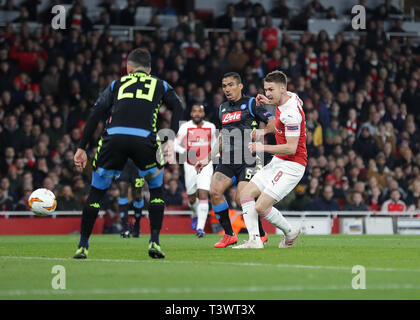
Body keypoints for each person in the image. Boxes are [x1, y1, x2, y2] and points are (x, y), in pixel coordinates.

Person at [73, 48, 183, 259]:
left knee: (96, 192)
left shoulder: (117, 83)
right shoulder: (160, 84)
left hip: (114, 137)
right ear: (149, 70)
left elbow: (96, 112)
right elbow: (178, 107)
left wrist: (81, 146)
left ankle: (82, 246)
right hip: (145, 138)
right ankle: (155, 242)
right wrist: (170, 139)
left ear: (129, 68)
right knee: (156, 188)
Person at [195, 72, 275, 248]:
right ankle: (229, 235)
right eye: (224, 86)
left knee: (242, 198)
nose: (227, 89)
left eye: (231, 85)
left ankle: (260, 234)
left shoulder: (251, 103)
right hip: (228, 158)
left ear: (240, 86)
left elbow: (272, 122)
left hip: (249, 157)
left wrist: (263, 132)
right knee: (214, 192)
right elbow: (223, 136)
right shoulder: (222, 108)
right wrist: (208, 158)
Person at [234, 70, 307, 249]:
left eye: (271, 90)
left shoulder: (291, 114)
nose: (267, 93)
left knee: (260, 207)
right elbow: (279, 122)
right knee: (245, 194)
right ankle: (254, 240)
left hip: (293, 165)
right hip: (279, 161)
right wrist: (268, 111)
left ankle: (290, 231)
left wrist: (262, 147)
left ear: (282, 88)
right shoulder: (290, 97)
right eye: (266, 89)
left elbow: (291, 147)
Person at [174, 104, 217, 238]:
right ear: (191, 114)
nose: (197, 114)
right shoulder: (185, 127)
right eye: (194, 111)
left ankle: (200, 228)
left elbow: (215, 145)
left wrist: (216, 157)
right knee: (192, 197)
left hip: (205, 165)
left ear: (203, 114)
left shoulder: (211, 127)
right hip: (190, 166)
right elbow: (175, 144)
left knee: (204, 193)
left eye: (200, 111)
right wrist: (185, 152)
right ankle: (195, 214)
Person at [117, 159, 145, 238]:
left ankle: (137, 226)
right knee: (122, 191)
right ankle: (125, 228)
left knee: (137, 195)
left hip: (137, 161)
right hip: (123, 161)